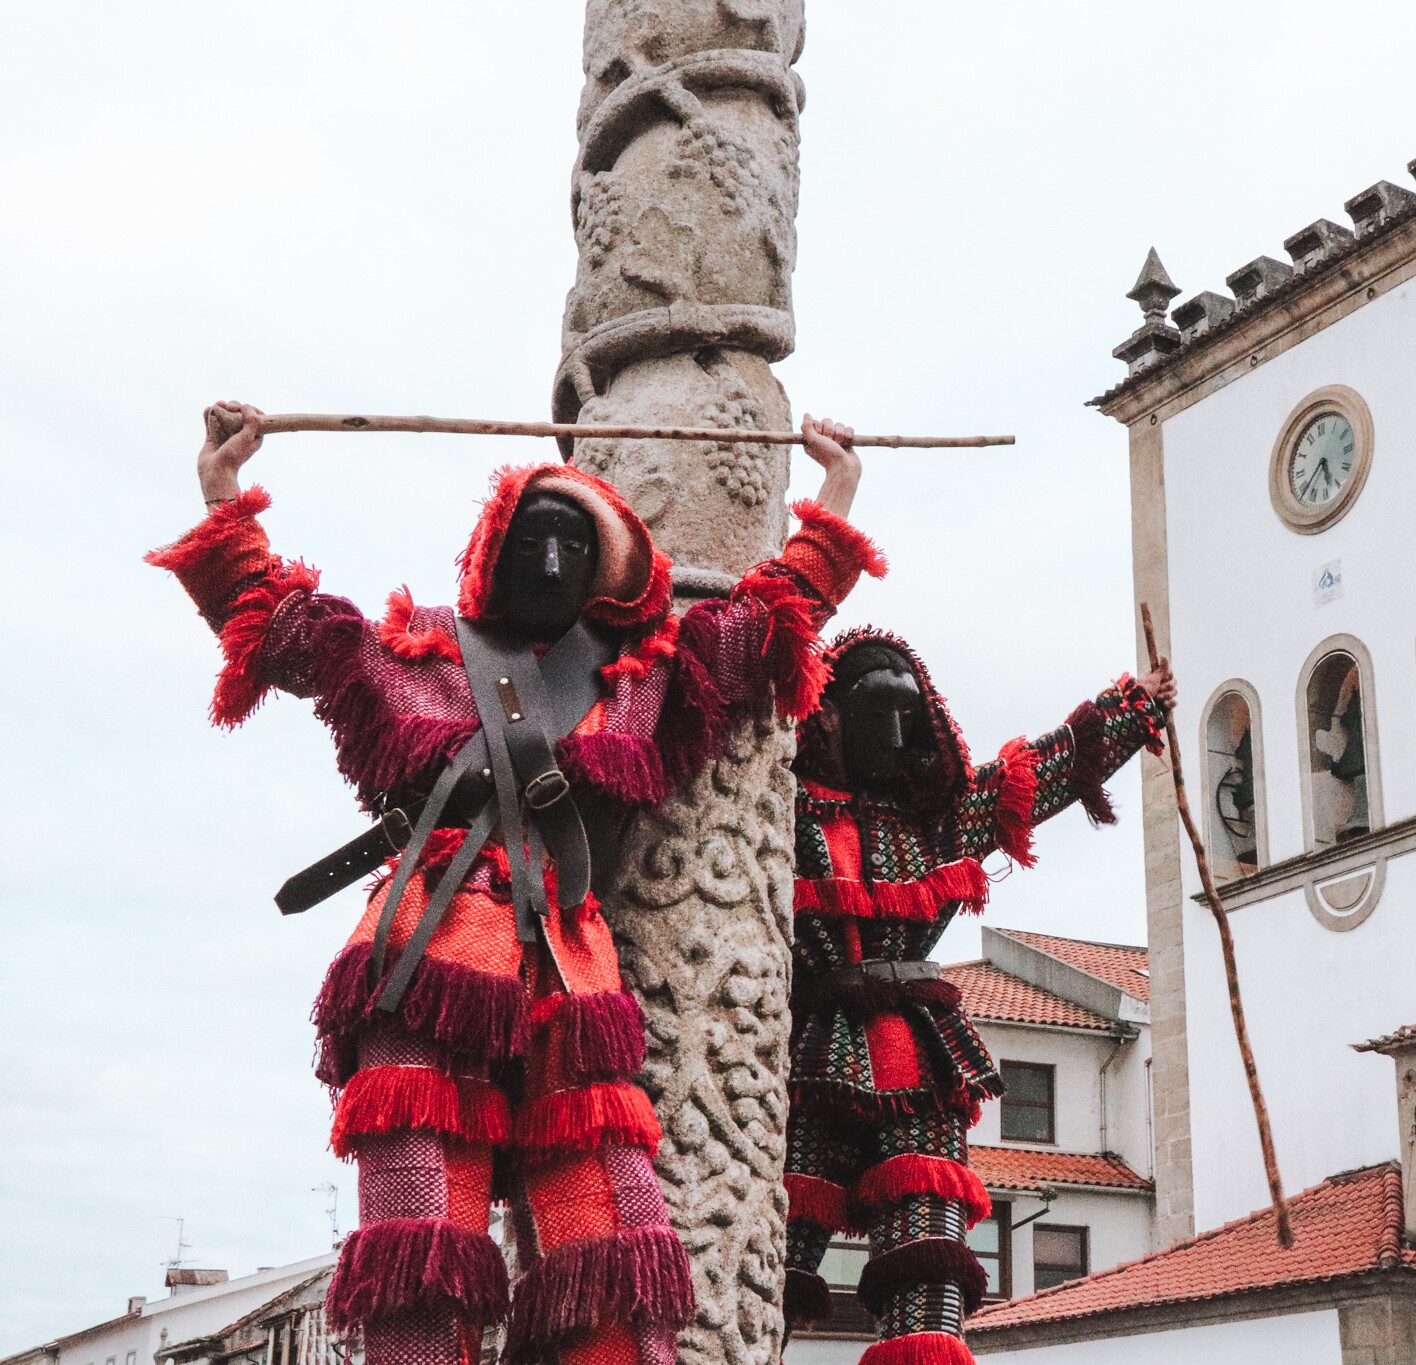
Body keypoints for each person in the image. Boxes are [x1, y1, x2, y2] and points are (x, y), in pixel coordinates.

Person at [148, 403, 884, 1365]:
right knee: (423, 1246)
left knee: (611, 1247)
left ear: (604, 574)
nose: (550, 556)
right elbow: (284, 628)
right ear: (493, 554)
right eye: (531, 535)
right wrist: (223, 492)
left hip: (571, 976)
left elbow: (760, 629)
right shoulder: (418, 655)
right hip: (427, 955)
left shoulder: (642, 681)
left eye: (573, 544)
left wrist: (836, 499)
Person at [778, 629, 1175, 1365]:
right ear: (826, 714)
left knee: (929, 1262)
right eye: (877, 712)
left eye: (909, 715)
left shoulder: (937, 819)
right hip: (809, 1050)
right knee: (770, 1249)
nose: (897, 736)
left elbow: (1046, 771)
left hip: (916, 1058)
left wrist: (1136, 708)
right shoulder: (779, 804)